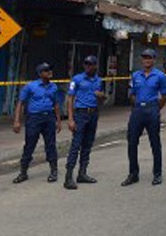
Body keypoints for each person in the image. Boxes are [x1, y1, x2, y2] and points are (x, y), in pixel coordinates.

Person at [122, 49, 166, 186]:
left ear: (154, 60)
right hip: (137, 110)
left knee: (155, 143)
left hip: (152, 109)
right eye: (144, 58)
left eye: (149, 58)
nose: (146, 60)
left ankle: (157, 174)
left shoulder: (160, 76)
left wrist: (156, 108)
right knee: (132, 142)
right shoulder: (136, 75)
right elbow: (132, 94)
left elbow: (165, 95)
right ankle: (133, 174)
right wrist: (137, 105)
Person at [12, 63, 61, 184]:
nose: (49, 72)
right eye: (46, 70)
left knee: (51, 145)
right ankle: (23, 172)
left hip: (48, 118)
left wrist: (58, 121)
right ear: (40, 74)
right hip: (34, 118)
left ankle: (53, 171)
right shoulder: (30, 86)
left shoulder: (53, 87)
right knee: (29, 145)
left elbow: (55, 104)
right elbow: (20, 103)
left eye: (50, 69)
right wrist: (17, 121)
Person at [63, 55, 106, 190]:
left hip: (93, 113)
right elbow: (70, 98)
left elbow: (102, 99)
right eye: (86, 64)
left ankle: (82, 173)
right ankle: (68, 177)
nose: (88, 66)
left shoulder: (98, 80)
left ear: (95, 66)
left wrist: (102, 96)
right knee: (76, 145)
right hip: (80, 114)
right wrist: (70, 119)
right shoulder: (77, 79)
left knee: (88, 144)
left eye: (90, 64)